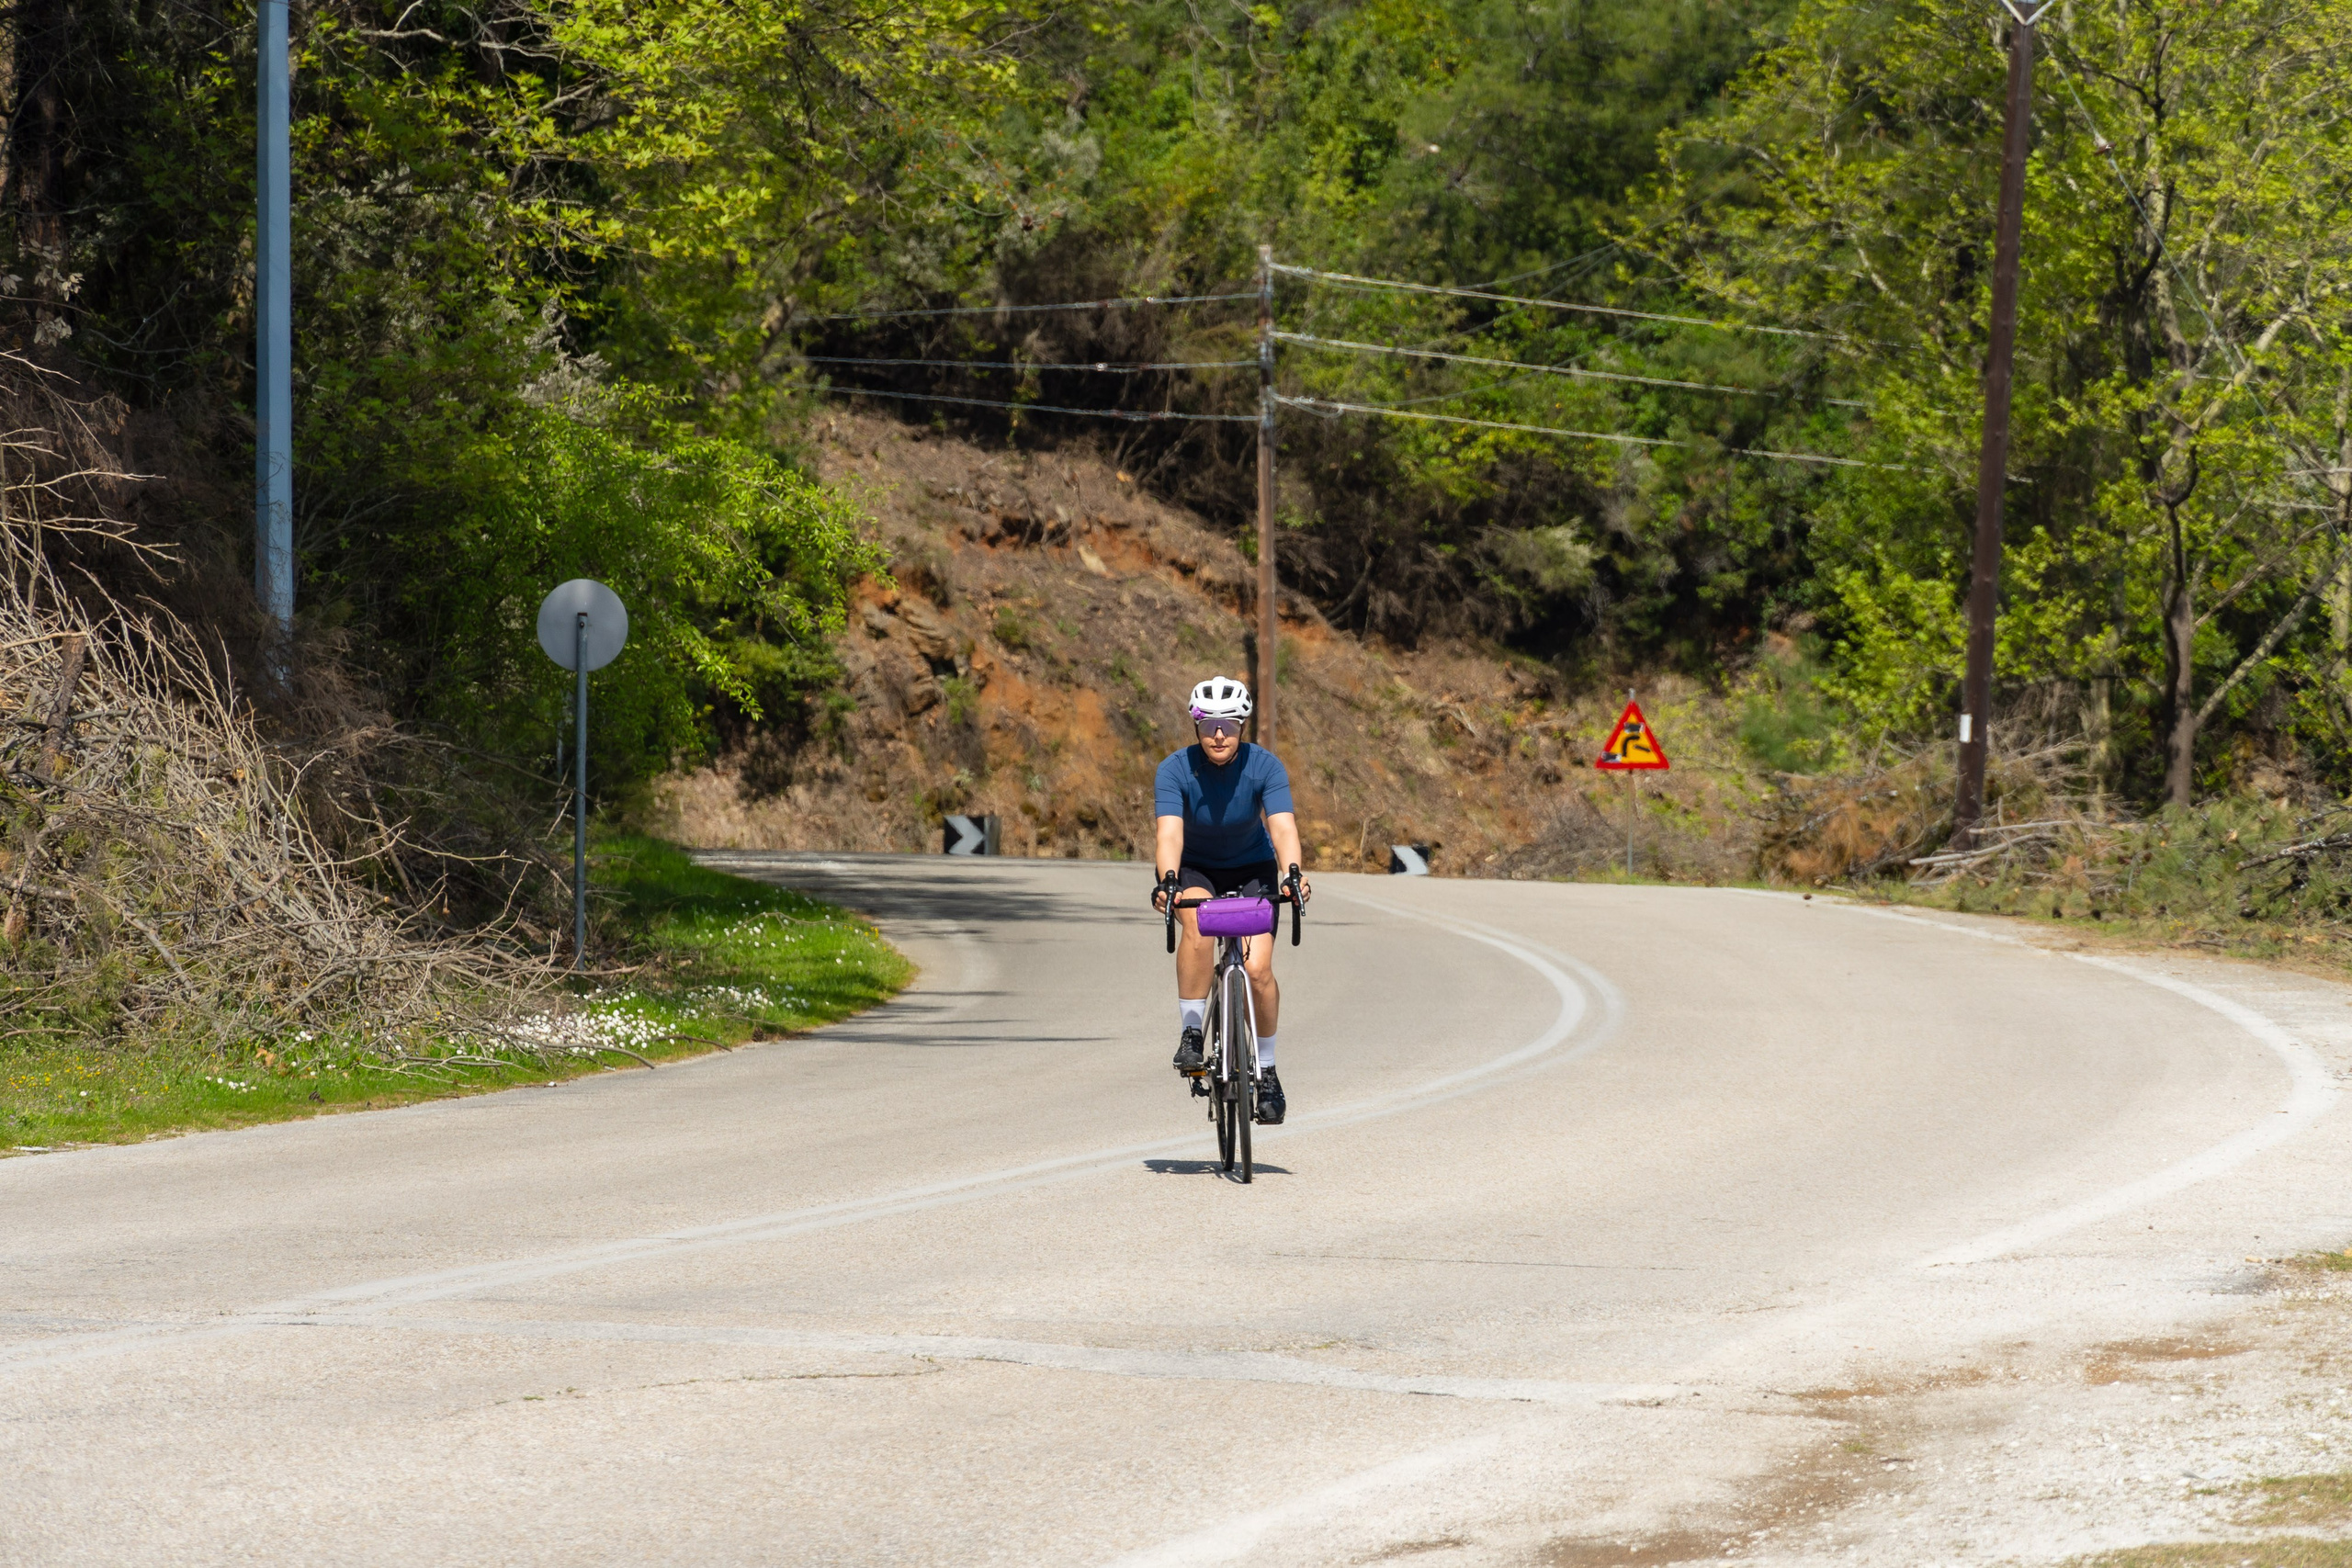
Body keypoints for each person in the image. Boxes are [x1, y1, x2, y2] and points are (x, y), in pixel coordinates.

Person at [1149, 675, 1311, 1124]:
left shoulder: (1265, 766)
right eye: (1208, 724)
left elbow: (1282, 827)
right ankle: (1191, 1032)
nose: (1218, 734)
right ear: (1195, 726)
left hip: (1252, 868)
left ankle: (1269, 1070)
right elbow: (1169, 833)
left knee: (1258, 970)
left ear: (1243, 725)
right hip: (1195, 868)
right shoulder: (1175, 769)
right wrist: (1168, 881)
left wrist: (1292, 874)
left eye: (1228, 724)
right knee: (1200, 925)